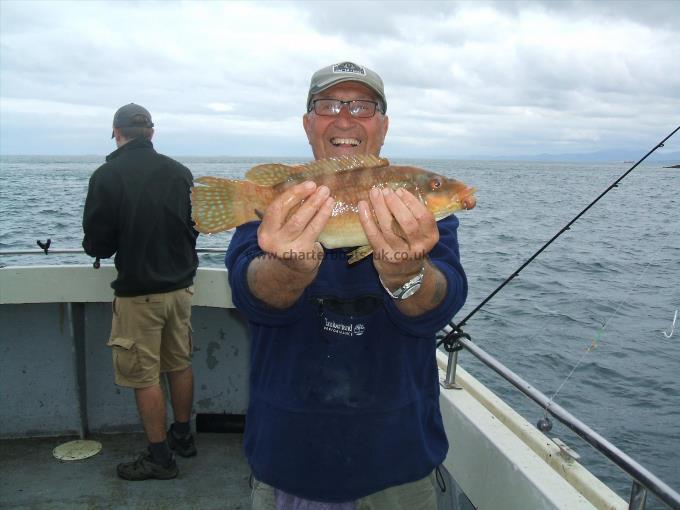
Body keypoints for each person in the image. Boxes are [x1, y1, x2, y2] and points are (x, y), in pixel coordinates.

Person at [225, 62, 469, 509]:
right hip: (289, 459)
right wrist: (290, 268)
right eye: (328, 105)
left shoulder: (429, 221)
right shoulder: (273, 207)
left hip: (400, 458)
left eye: (361, 106)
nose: (344, 117)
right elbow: (250, 294)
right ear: (307, 123)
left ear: (383, 125)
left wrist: (406, 272)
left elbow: (441, 302)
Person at [82, 103, 199, 481]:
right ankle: (183, 436)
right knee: (179, 363)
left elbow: (97, 245)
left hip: (138, 294)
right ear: (152, 132)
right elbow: (194, 226)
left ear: (116, 132)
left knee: (145, 376)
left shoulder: (107, 175)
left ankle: (160, 459)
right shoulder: (180, 173)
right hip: (180, 289)